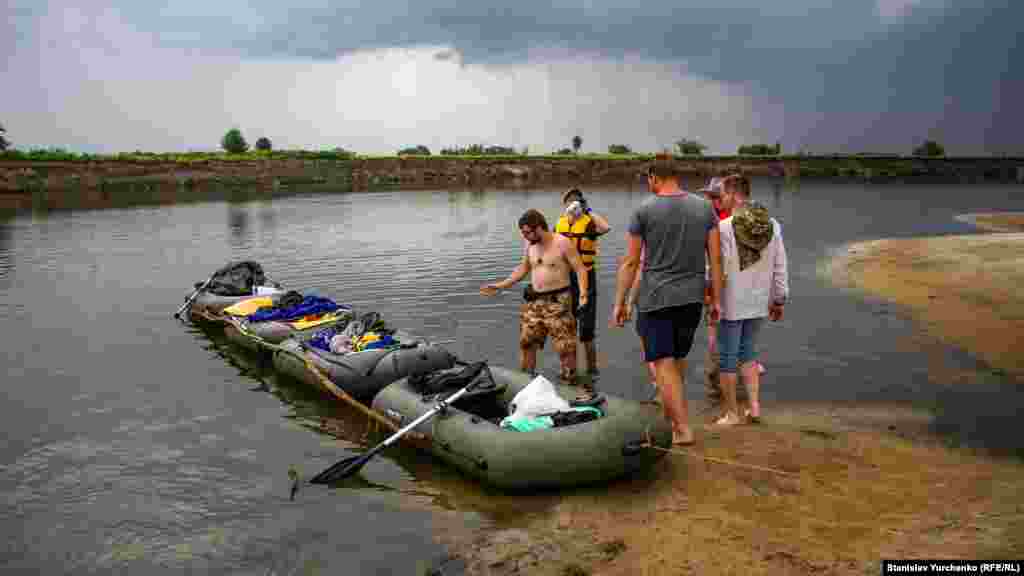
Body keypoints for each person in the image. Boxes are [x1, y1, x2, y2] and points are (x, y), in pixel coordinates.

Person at [612, 157, 723, 446]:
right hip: (692, 298)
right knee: (676, 359)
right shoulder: (705, 208)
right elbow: (716, 259)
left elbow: (631, 262)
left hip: (656, 298)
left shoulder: (644, 210)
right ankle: (671, 412)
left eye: (648, 179)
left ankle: (682, 428)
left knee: (662, 362)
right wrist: (716, 300)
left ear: (653, 177)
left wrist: (619, 302)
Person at [481, 209, 595, 400]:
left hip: (558, 302)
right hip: (535, 303)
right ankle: (526, 383)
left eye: (527, 232)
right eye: (523, 233)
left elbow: (580, 269)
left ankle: (570, 386)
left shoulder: (562, 243)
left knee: (565, 347)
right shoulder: (530, 246)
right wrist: (501, 285)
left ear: (539, 227)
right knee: (527, 343)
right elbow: (523, 269)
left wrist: (583, 293)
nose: (525, 237)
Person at [713, 193, 789, 426]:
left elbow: (718, 266)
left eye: (723, 193)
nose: (719, 198)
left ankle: (732, 414)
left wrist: (713, 298)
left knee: (727, 358)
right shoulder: (772, 225)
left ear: (734, 196)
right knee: (749, 353)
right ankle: (754, 408)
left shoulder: (724, 227)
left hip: (732, 301)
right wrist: (779, 298)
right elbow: (780, 264)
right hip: (759, 300)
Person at [555, 188, 611, 377]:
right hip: (565, 279)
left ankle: (592, 371)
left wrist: (587, 211)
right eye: (568, 203)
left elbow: (605, 227)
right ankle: (569, 369)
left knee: (586, 330)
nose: (571, 206)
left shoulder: (589, 224)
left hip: (587, 278)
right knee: (567, 326)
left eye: (575, 203)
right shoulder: (560, 223)